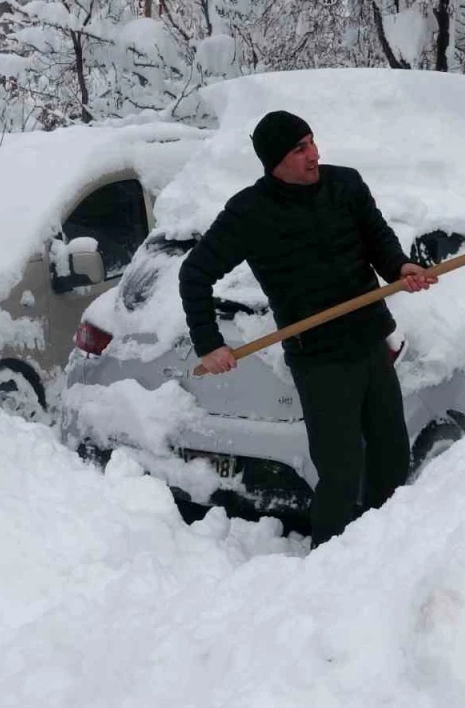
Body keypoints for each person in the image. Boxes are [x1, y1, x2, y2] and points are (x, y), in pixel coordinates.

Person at [178, 110, 437, 548]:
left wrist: (400, 266)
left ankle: (387, 552)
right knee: (340, 472)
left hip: (370, 342)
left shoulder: (346, 184)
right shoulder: (250, 212)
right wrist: (209, 343)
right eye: (300, 149)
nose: (313, 154)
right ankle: (329, 566)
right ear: (274, 161)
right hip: (319, 359)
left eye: (312, 142)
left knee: (392, 458)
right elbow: (194, 274)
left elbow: (377, 238)